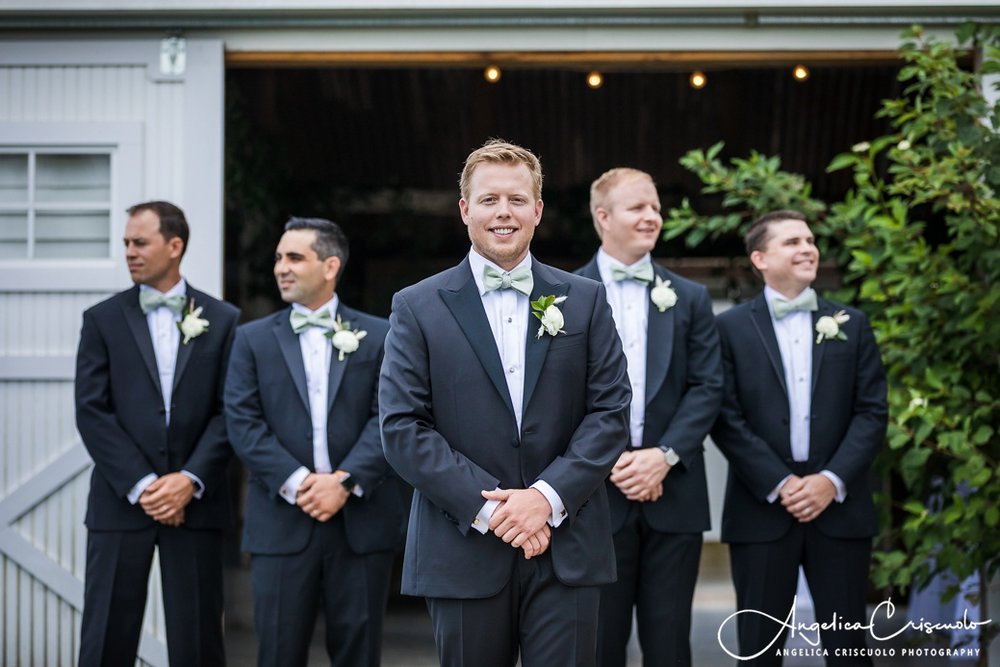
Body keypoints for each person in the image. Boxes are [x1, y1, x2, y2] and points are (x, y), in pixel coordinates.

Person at [378, 139, 631, 667]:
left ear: (537, 211)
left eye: (517, 200)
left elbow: (609, 414)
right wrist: (494, 511)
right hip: (463, 544)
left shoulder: (584, 299)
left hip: (568, 544)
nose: (504, 213)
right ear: (465, 209)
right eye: (489, 199)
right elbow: (403, 428)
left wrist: (546, 497)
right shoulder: (417, 306)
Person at [225, 217, 404, 667]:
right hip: (281, 522)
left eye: (294, 257)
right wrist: (301, 481)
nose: (281, 268)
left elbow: (391, 416)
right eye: (278, 258)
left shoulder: (382, 335)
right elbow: (243, 422)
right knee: (278, 654)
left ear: (330, 266)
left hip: (361, 522)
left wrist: (343, 482)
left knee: (359, 655)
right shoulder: (250, 340)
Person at [711, 210, 887, 665]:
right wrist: (781, 482)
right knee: (758, 649)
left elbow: (872, 412)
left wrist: (831, 479)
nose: (808, 248)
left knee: (848, 649)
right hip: (761, 507)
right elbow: (724, 415)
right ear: (760, 258)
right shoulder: (729, 328)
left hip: (841, 508)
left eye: (810, 240)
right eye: (792, 242)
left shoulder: (853, 324)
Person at [75, 200, 239, 666]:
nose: (129, 251)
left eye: (139, 242)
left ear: (175, 245)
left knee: (198, 642)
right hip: (120, 502)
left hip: (197, 503)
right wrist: (147, 486)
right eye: (126, 242)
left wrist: (188, 480)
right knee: (106, 637)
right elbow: (91, 411)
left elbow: (231, 411)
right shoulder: (101, 320)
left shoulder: (223, 319)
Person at [575, 168, 723, 667]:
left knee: (669, 642)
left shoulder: (691, 297)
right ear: (603, 217)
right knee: (599, 641)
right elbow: (553, 397)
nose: (652, 217)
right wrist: (608, 461)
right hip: (593, 496)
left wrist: (663, 456)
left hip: (674, 492)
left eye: (656, 208)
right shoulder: (561, 294)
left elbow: (707, 387)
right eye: (638, 207)